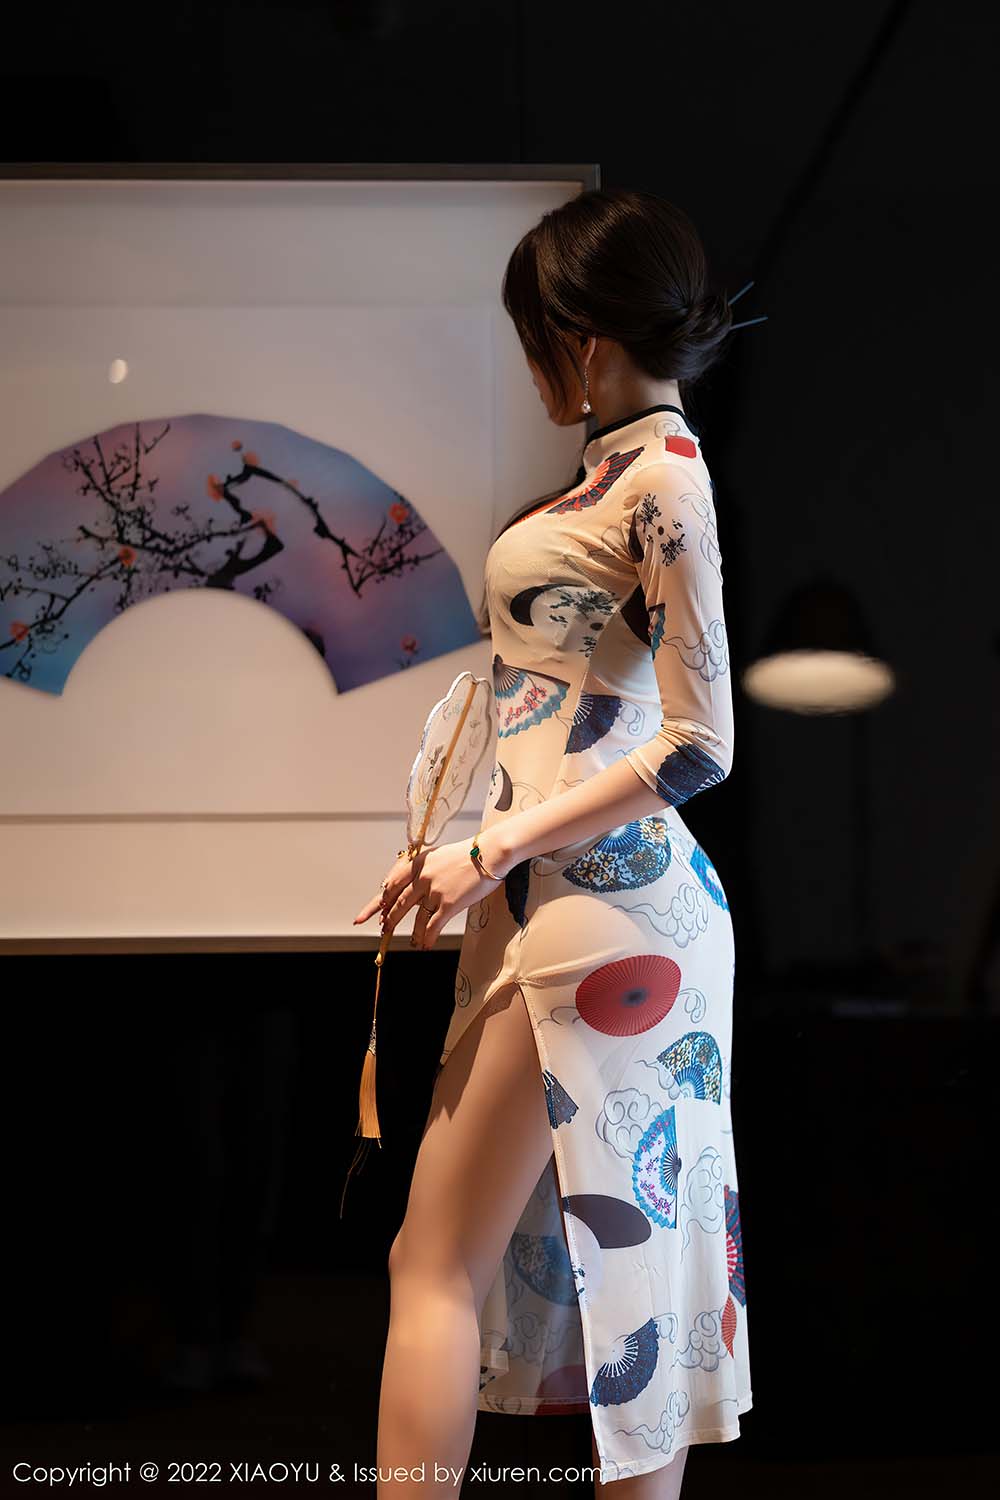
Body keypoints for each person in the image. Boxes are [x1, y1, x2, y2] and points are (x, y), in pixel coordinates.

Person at [355, 186, 751, 1494]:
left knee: (485, 1270)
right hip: (570, 896)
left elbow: (700, 744)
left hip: (602, 903)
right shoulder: (623, 479)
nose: (533, 366)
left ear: (579, 337)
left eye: (534, 335)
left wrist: (492, 851)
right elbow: (555, 716)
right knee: (581, 1282)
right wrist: (472, 848)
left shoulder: (665, 482)